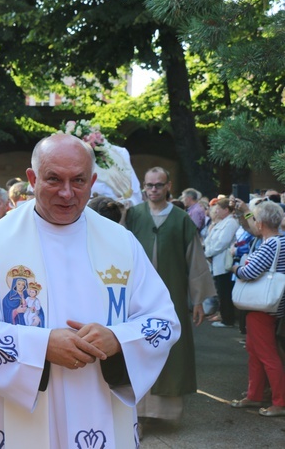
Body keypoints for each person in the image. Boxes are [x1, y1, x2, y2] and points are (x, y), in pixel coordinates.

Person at [0, 134, 179, 448]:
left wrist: (118, 339)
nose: (67, 193)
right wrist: (41, 346)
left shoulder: (121, 242)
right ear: (32, 179)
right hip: (19, 415)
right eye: (54, 179)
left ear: (93, 181)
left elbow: (163, 322)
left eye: (79, 180)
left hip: (99, 403)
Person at [124, 167, 215, 426]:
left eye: (158, 185)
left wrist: (198, 300)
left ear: (168, 186)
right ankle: (137, 415)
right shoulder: (132, 216)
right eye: (149, 185)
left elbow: (195, 261)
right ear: (143, 186)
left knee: (170, 348)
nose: (153, 190)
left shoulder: (181, 219)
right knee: (138, 347)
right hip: (136, 298)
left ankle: (166, 414)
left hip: (171, 295)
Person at [230, 201, 285, 417]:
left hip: (260, 308)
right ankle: (254, 394)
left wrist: (236, 267)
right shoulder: (281, 241)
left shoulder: (271, 244)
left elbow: (249, 272)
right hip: (271, 306)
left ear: (261, 224)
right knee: (256, 351)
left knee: (266, 355)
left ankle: (279, 401)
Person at [204, 197, 240, 327]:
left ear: (226, 210)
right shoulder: (223, 221)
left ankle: (227, 319)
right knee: (221, 290)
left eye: (218, 209)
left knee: (224, 291)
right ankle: (224, 316)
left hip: (222, 261)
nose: (216, 211)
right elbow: (210, 239)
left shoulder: (231, 222)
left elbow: (222, 242)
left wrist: (208, 253)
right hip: (216, 260)